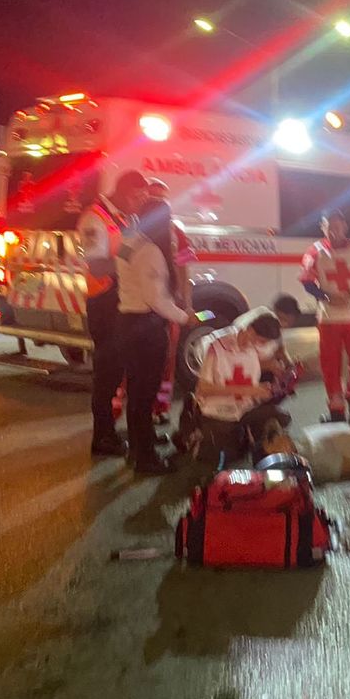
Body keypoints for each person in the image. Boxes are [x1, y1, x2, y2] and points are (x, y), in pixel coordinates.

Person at [115, 198, 197, 474]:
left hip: (130, 322)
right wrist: (185, 317)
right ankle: (145, 458)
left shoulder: (129, 241)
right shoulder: (150, 251)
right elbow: (156, 300)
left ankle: (140, 444)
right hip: (145, 328)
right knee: (144, 394)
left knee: (138, 392)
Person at [80, 169, 149, 456]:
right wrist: (134, 263)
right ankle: (102, 438)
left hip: (121, 303)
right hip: (104, 304)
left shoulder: (124, 217)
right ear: (122, 192)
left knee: (119, 371)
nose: (139, 203)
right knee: (106, 376)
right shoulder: (94, 218)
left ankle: (111, 430)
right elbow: (97, 266)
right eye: (136, 197)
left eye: (143, 198)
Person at [299, 209, 350, 421]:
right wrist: (326, 296)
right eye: (329, 228)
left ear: (345, 227)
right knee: (330, 365)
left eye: (337, 227)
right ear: (322, 228)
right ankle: (336, 408)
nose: (334, 232)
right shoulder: (314, 252)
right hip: (329, 317)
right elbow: (306, 281)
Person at [194, 311, 290, 467]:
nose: (260, 345)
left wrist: (262, 391)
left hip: (242, 408)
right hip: (217, 410)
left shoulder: (252, 350)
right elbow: (203, 388)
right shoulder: (217, 348)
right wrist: (248, 390)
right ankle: (200, 438)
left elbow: (248, 379)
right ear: (250, 330)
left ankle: (260, 457)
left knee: (279, 417)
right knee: (222, 458)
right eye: (260, 340)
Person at [146, 178, 198, 421]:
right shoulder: (134, 230)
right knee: (142, 364)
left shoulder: (176, 232)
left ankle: (160, 408)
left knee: (167, 363)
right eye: (153, 198)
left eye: (161, 199)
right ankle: (140, 411)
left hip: (168, 307)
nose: (158, 204)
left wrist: (187, 304)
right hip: (144, 308)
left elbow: (185, 271)